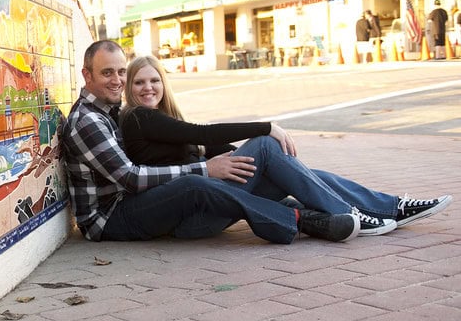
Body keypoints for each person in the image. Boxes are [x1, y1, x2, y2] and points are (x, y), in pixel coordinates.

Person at [61, 40, 360, 245]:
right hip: (108, 220)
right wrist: (206, 168)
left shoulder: (108, 110)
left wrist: (229, 157)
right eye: (107, 73)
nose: (116, 80)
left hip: (133, 206)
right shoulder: (88, 120)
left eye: (120, 72)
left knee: (271, 164)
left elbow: (187, 143)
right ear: (87, 75)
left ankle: (369, 209)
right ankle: (300, 219)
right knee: (193, 184)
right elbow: (131, 177)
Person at [119, 54, 452, 235]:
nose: (148, 88)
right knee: (264, 145)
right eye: (139, 82)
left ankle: (391, 207)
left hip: (210, 209)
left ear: (164, 83)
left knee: (298, 171)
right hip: (194, 218)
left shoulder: (160, 121)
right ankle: (354, 213)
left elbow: (204, 145)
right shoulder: (137, 117)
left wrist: (234, 154)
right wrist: (267, 127)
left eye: (154, 80)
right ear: (129, 88)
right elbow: (203, 133)